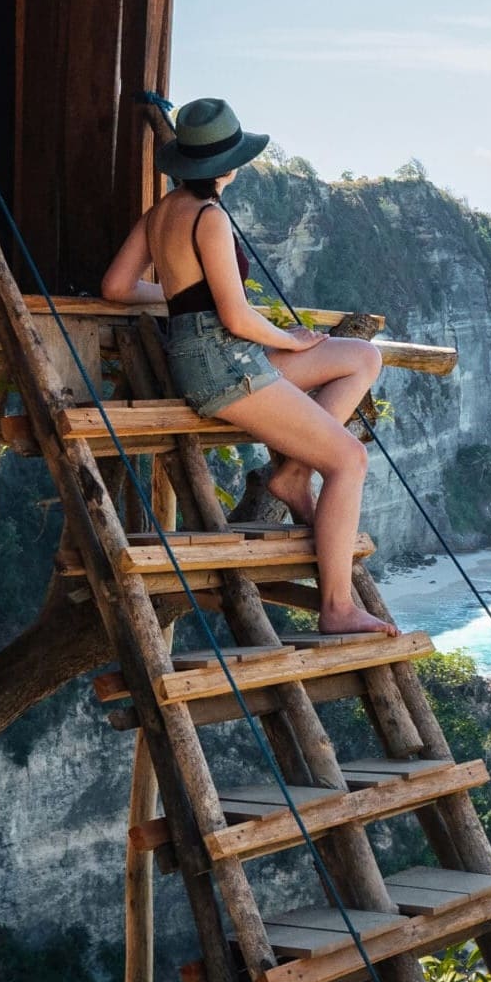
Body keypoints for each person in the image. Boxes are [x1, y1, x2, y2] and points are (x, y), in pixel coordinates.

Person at [100, 98, 394, 636]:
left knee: (361, 356)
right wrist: (292, 341)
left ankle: (293, 471)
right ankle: (336, 607)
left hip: (214, 356)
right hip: (223, 367)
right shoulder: (209, 218)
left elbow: (116, 287)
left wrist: (178, 300)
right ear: (229, 165)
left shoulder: (161, 213)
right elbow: (236, 317)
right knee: (350, 460)